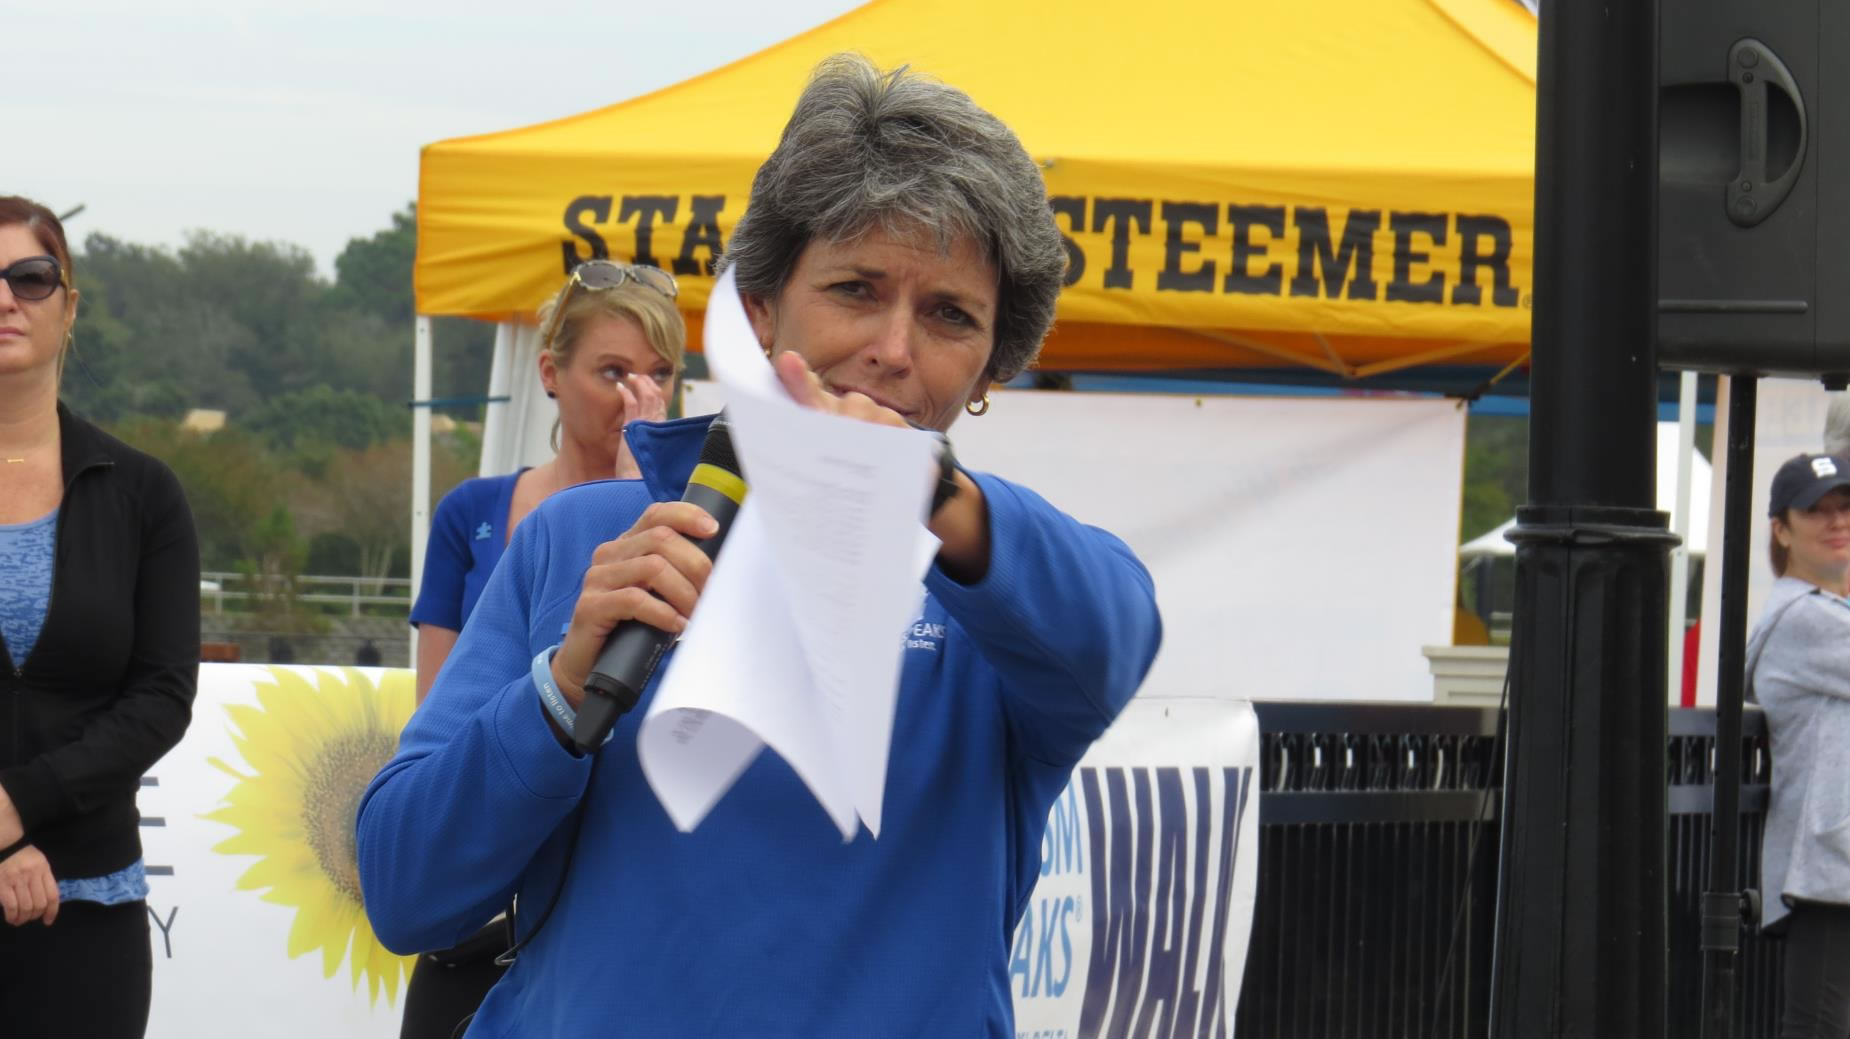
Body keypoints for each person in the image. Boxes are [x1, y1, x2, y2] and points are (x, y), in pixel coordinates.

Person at [356, 55, 1162, 1037]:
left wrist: (929, 491)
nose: (894, 347)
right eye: (856, 288)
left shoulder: (1000, 590)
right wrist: (560, 693)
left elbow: (1118, 631)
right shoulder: (578, 540)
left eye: (950, 315)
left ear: (989, 368)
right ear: (760, 307)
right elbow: (403, 889)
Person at [398, 260, 684, 1039]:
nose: (639, 396)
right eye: (614, 372)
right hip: (481, 915)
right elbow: (437, 733)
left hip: (613, 920)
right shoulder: (475, 511)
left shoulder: (690, 525)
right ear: (552, 373)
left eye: (661, 373)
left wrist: (641, 499)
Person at [0, 197, 201, 1037]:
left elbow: (162, 694)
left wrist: (19, 803)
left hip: (88, 915)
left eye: (30, 277)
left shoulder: (144, 493)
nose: (5, 298)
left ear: (69, 304)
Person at [1746, 452, 1850, 1038]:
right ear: (1781, 530)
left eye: (1847, 506)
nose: (1838, 521)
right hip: (1829, 873)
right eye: (1816, 510)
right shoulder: (1806, 620)